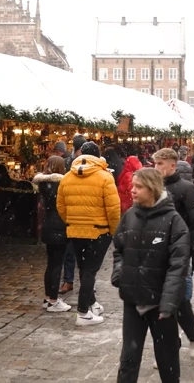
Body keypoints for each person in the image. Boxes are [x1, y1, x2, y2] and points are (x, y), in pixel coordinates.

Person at [113, 168, 190, 382]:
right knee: (128, 359)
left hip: (160, 305)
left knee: (167, 361)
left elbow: (178, 266)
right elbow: (118, 248)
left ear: (152, 189)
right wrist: (119, 274)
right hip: (133, 300)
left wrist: (168, 303)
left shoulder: (174, 221)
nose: (132, 190)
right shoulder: (130, 216)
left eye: (138, 187)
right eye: (133, 186)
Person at [57, 142, 121, 326]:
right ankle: (83, 312)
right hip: (98, 231)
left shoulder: (67, 177)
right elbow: (113, 209)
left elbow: (61, 206)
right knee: (90, 271)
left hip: (75, 230)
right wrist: (113, 231)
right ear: (98, 156)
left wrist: (72, 221)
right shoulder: (105, 177)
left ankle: (92, 304)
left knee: (84, 268)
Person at [153, 149, 194, 362]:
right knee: (160, 302)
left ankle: (193, 335)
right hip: (157, 253)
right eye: (155, 164)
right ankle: (169, 346)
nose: (156, 168)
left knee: (180, 300)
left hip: (180, 253)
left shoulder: (187, 189)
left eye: (160, 164)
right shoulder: (153, 187)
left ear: (172, 165)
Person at [33, 156, 72, 313]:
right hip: (59, 226)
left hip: (48, 225)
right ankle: (54, 300)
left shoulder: (43, 184)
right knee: (57, 264)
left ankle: (48, 297)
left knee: (51, 264)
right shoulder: (61, 184)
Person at [59, 135, 87, 294]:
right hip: (72, 213)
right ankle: (68, 281)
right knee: (70, 251)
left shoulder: (90, 163)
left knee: (83, 253)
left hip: (85, 212)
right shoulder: (68, 163)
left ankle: (85, 282)